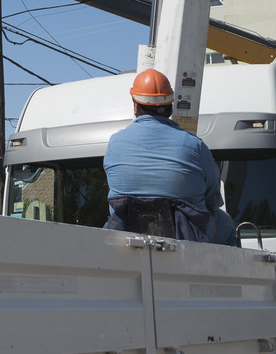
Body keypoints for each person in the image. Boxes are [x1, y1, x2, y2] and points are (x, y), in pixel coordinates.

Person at [101, 68, 237, 245]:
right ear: (170, 107)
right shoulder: (195, 146)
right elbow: (212, 198)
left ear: (135, 106)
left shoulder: (115, 143)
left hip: (126, 235)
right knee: (226, 223)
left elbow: (114, 200)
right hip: (187, 237)